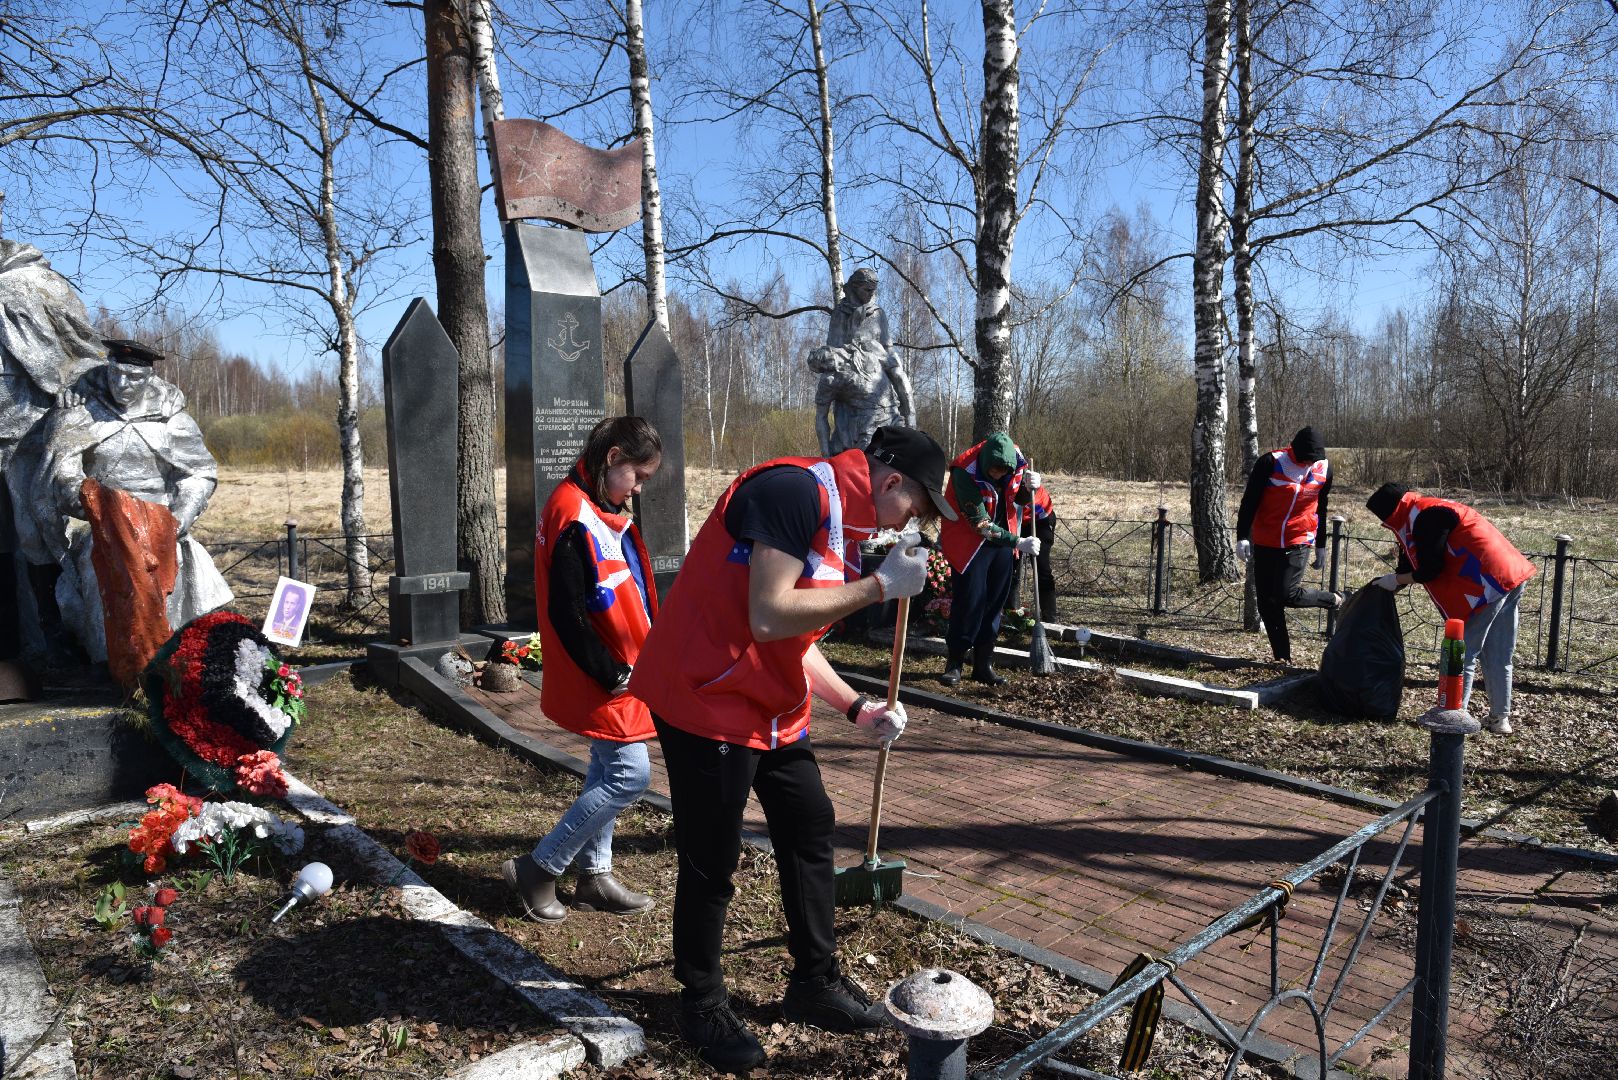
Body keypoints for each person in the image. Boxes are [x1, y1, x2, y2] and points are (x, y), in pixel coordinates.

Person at [628, 425, 951, 1072]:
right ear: (891, 482)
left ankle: (815, 982)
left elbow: (796, 640)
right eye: (918, 505)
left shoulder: (847, 523)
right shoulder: (792, 493)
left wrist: (857, 709)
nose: (916, 521)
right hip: (705, 699)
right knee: (711, 858)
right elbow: (770, 615)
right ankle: (701, 1001)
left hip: (767, 704)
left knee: (809, 825)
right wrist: (880, 588)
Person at [504, 416, 665, 922]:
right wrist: (611, 670)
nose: (638, 490)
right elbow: (566, 612)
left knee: (605, 767)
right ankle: (539, 867)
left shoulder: (599, 505)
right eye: (637, 476)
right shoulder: (573, 513)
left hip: (625, 668)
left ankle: (594, 875)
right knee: (629, 774)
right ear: (613, 457)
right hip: (605, 673)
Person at [1365, 483, 1536, 734]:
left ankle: (1453, 714)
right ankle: (1500, 719)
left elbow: (1430, 568)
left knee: (1462, 652)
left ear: (1392, 513)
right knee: (1499, 655)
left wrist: (1397, 581)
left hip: (1487, 584)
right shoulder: (1428, 508)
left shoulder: (1426, 518)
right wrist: (1395, 580)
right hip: (1511, 574)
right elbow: (1414, 558)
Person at [937, 431, 1038, 687]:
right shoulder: (964, 472)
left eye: (1003, 472)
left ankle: (983, 664)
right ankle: (955, 662)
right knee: (969, 602)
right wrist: (1019, 542)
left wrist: (1029, 488)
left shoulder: (1014, 461)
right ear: (984, 463)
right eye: (993, 471)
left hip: (1001, 543)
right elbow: (980, 524)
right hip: (970, 543)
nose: (998, 475)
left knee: (994, 604)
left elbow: (1017, 499)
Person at [1234, 426, 1342, 663]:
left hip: (1298, 539)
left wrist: (1321, 544)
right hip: (1265, 539)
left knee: (1286, 593)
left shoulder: (1324, 469)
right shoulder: (1271, 463)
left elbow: (1321, 507)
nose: (1308, 465)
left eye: (1313, 461)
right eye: (1305, 460)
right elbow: (1249, 500)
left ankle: (1334, 599)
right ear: (1296, 452)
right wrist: (1242, 535)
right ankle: (1283, 659)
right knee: (1266, 602)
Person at [808, 267, 917, 455]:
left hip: (877, 357)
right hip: (849, 372)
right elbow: (832, 348)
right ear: (855, 287)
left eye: (873, 290)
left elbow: (887, 344)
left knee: (899, 377)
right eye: (867, 289)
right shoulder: (840, 313)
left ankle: (909, 421)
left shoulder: (877, 313)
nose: (871, 294)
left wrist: (888, 360)